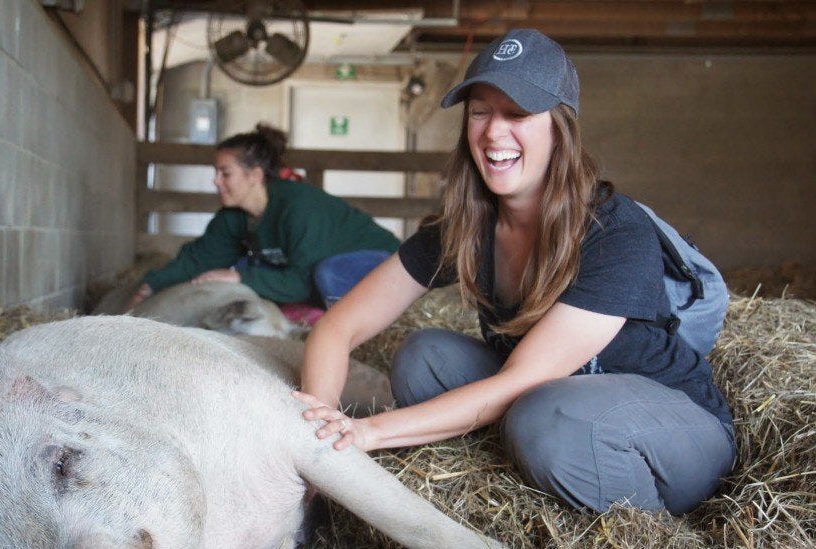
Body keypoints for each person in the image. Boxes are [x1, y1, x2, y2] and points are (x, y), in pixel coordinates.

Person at [293, 29, 735, 516]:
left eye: (519, 113)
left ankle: (651, 538)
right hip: (549, 408)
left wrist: (367, 433)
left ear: (559, 127)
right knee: (424, 356)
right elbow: (338, 326)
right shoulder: (466, 226)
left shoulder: (615, 231)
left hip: (670, 430)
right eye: (480, 111)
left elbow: (522, 380)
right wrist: (318, 427)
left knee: (548, 418)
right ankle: (536, 472)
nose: (494, 132)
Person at [129, 124, 401, 311]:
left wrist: (239, 278)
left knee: (326, 275)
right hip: (315, 273)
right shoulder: (234, 216)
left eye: (225, 173)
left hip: (381, 265)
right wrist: (152, 285)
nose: (215, 181)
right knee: (244, 264)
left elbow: (299, 282)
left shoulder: (299, 207)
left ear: (254, 176)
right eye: (216, 172)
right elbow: (200, 259)